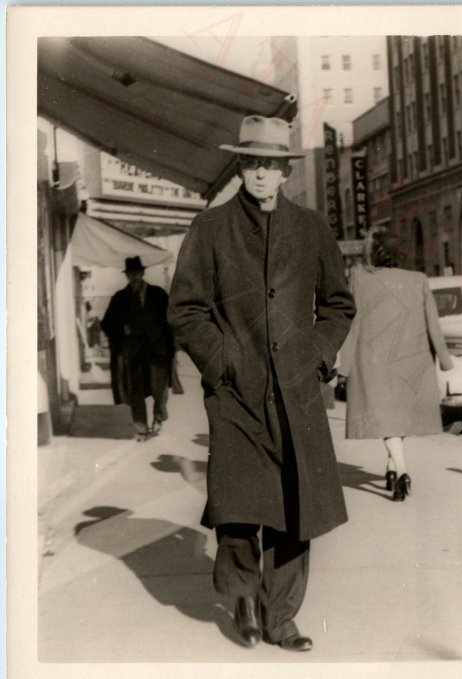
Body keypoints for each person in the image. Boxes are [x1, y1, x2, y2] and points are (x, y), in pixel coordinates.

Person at [168, 115, 356, 651]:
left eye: (270, 165)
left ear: (284, 172)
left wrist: (317, 353)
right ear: (240, 167)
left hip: (296, 390)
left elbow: (339, 304)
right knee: (238, 504)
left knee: (296, 508)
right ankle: (244, 595)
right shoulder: (210, 229)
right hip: (234, 392)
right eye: (251, 163)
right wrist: (223, 358)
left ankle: (283, 617)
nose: (260, 175)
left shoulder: (312, 228)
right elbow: (185, 311)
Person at [340, 226, 453, 501]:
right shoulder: (418, 279)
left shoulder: (359, 280)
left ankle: (399, 470)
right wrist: (445, 361)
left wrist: (342, 367)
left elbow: (351, 325)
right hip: (411, 361)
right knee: (396, 418)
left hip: (373, 361)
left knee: (385, 417)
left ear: (373, 252)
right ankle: (395, 467)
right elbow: (433, 325)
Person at [102, 256, 173, 441]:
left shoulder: (158, 295)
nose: (134, 278)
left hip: (157, 351)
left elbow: (171, 320)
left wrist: (171, 346)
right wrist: (121, 329)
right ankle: (141, 428)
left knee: (160, 389)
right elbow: (107, 324)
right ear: (127, 276)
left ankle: (158, 419)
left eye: (136, 274)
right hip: (133, 354)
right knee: (136, 391)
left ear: (143, 273)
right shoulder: (120, 298)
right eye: (130, 275)